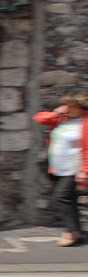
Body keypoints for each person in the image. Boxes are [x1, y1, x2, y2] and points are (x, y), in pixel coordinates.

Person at [34, 92, 88, 247]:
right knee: (69, 200)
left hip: (74, 169)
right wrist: (55, 113)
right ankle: (76, 231)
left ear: (81, 108)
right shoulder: (61, 119)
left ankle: (71, 233)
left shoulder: (85, 122)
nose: (67, 108)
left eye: (71, 106)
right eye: (65, 105)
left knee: (62, 197)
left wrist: (84, 171)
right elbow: (38, 118)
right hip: (58, 167)